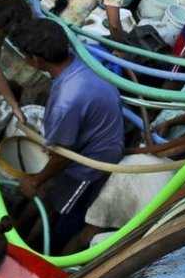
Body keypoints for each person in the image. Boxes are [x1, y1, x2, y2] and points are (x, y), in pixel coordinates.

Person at [14, 19, 125, 252]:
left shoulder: (67, 99)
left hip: (92, 163)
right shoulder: (78, 59)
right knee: (47, 190)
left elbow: (63, 156)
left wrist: (34, 180)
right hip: (93, 136)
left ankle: (47, 250)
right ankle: (22, 231)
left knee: (65, 210)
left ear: (35, 60)